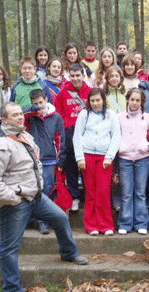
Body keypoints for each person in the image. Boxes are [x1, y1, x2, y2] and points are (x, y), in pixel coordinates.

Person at [0, 102, 88, 292]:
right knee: (9, 247)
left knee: (60, 217)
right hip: (16, 202)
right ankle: (12, 288)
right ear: (4, 120)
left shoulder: (25, 135)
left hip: (35, 196)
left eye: (21, 113)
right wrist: (11, 197)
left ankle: (68, 252)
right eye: (14, 115)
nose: (20, 117)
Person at [73, 88, 121, 235]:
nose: (95, 103)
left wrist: (109, 156)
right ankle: (91, 225)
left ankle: (106, 225)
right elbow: (77, 136)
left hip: (104, 158)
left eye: (98, 100)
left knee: (103, 191)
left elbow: (116, 137)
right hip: (87, 157)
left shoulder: (111, 115)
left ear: (103, 100)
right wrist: (80, 157)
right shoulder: (84, 114)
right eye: (92, 101)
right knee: (91, 191)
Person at [22, 89, 67, 234]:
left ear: (46, 100)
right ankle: (36, 219)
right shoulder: (30, 117)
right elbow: (20, 116)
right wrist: (31, 109)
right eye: (35, 104)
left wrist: (60, 160)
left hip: (50, 159)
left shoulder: (56, 117)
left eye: (41, 102)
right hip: (34, 159)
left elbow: (61, 139)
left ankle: (46, 220)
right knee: (36, 189)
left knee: (48, 189)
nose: (39, 106)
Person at [117, 88, 149, 235]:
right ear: (128, 99)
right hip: (125, 159)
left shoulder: (147, 117)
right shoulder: (119, 117)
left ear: (142, 102)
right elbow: (115, 135)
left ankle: (141, 222)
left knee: (140, 192)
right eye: (132, 99)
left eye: (137, 100)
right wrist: (120, 147)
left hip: (142, 159)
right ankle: (125, 223)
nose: (134, 102)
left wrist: (148, 146)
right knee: (126, 193)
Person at [54, 64, 92, 211]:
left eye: (78, 75)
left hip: (87, 133)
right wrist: (67, 124)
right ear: (69, 77)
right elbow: (58, 112)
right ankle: (75, 196)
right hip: (70, 132)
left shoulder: (89, 92)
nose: (76, 79)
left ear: (83, 76)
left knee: (86, 166)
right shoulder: (63, 93)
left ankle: (89, 196)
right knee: (71, 166)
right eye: (73, 76)